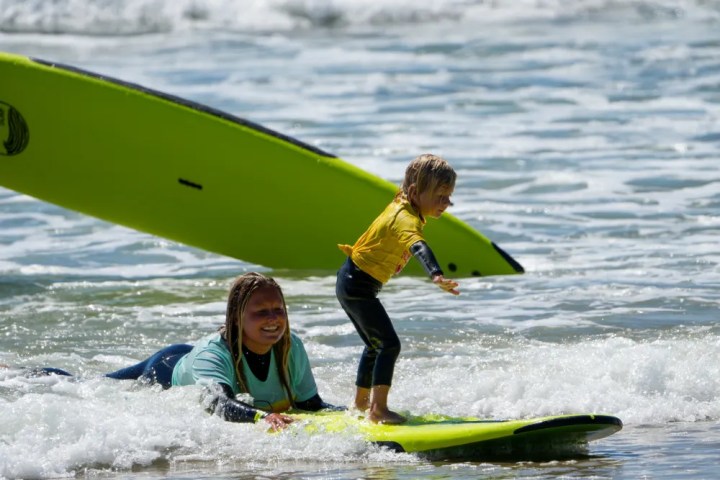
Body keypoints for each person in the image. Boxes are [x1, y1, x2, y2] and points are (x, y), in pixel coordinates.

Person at [27, 272, 341, 431]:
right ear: (236, 317)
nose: (273, 319)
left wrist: (349, 413)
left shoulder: (291, 346)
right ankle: (20, 373)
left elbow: (309, 404)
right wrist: (263, 417)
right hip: (165, 368)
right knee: (87, 383)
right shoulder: (213, 353)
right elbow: (217, 403)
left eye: (278, 309)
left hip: (193, 362)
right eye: (261, 312)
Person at [336, 153, 459, 425]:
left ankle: (360, 405)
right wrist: (436, 275)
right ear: (414, 192)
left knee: (374, 345)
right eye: (440, 196)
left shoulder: (403, 202)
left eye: (449, 196)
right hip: (358, 284)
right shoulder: (405, 218)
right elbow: (418, 246)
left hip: (351, 280)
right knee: (389, 344)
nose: (447, 203)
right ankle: (378, 410)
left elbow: (412, 183)